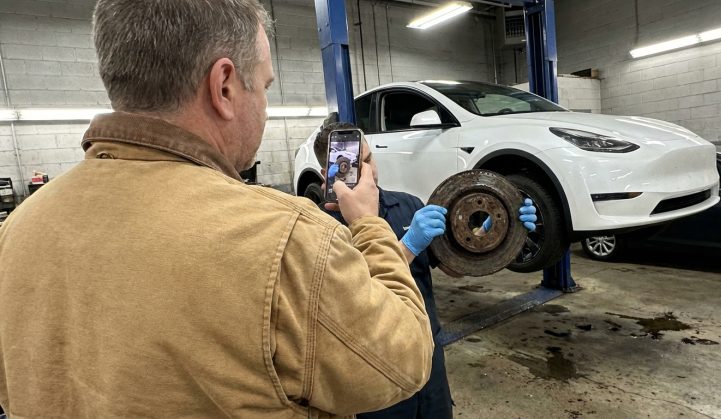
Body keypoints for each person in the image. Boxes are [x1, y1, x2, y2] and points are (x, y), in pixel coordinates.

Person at [0, 1, 435, 417]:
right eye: (263, 86)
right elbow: (404, 360)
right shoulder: (284, 239)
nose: (264, 106)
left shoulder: (17, 229)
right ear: (224, 86)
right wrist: (370, 225)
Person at [313, 117, 538, 418]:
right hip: (373, 370)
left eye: (368, 158)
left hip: (428, 356)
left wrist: (495, 230)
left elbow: (453, 267)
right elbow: (352, 299)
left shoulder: (409, 205)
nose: (368, 171)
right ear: (325, 175)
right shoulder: (318, 229)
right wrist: (408, 245)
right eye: (351, 165)